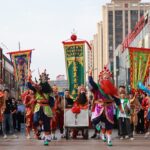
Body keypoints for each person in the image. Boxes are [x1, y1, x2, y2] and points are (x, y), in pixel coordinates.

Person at [88, 67, 121, 146]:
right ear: (101, 78)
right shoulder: (98, 87)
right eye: (104, 77)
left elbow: (117, 99)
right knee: (94, 120)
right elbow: (91, 82)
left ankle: (109, 140)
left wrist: (121, 108)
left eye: (107, 77)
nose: (106, 78)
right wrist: (90, 74)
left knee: (109, 124)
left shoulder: (113, 89)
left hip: (109, 107)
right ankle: (98, 126)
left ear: (109, 79)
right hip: (99, 107)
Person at [27, 69, 54, 146]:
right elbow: (29, 86)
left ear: (46, 79)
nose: (43, 79)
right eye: (42, 77)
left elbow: (52, 100)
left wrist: (51, 107)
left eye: (44, 77)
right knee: (35, 120)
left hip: (46, 108)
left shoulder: (49, 90)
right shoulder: (37, 87)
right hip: (38, 107)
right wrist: (29, 77)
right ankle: (39, 128)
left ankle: (46, 139)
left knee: (47, 124)